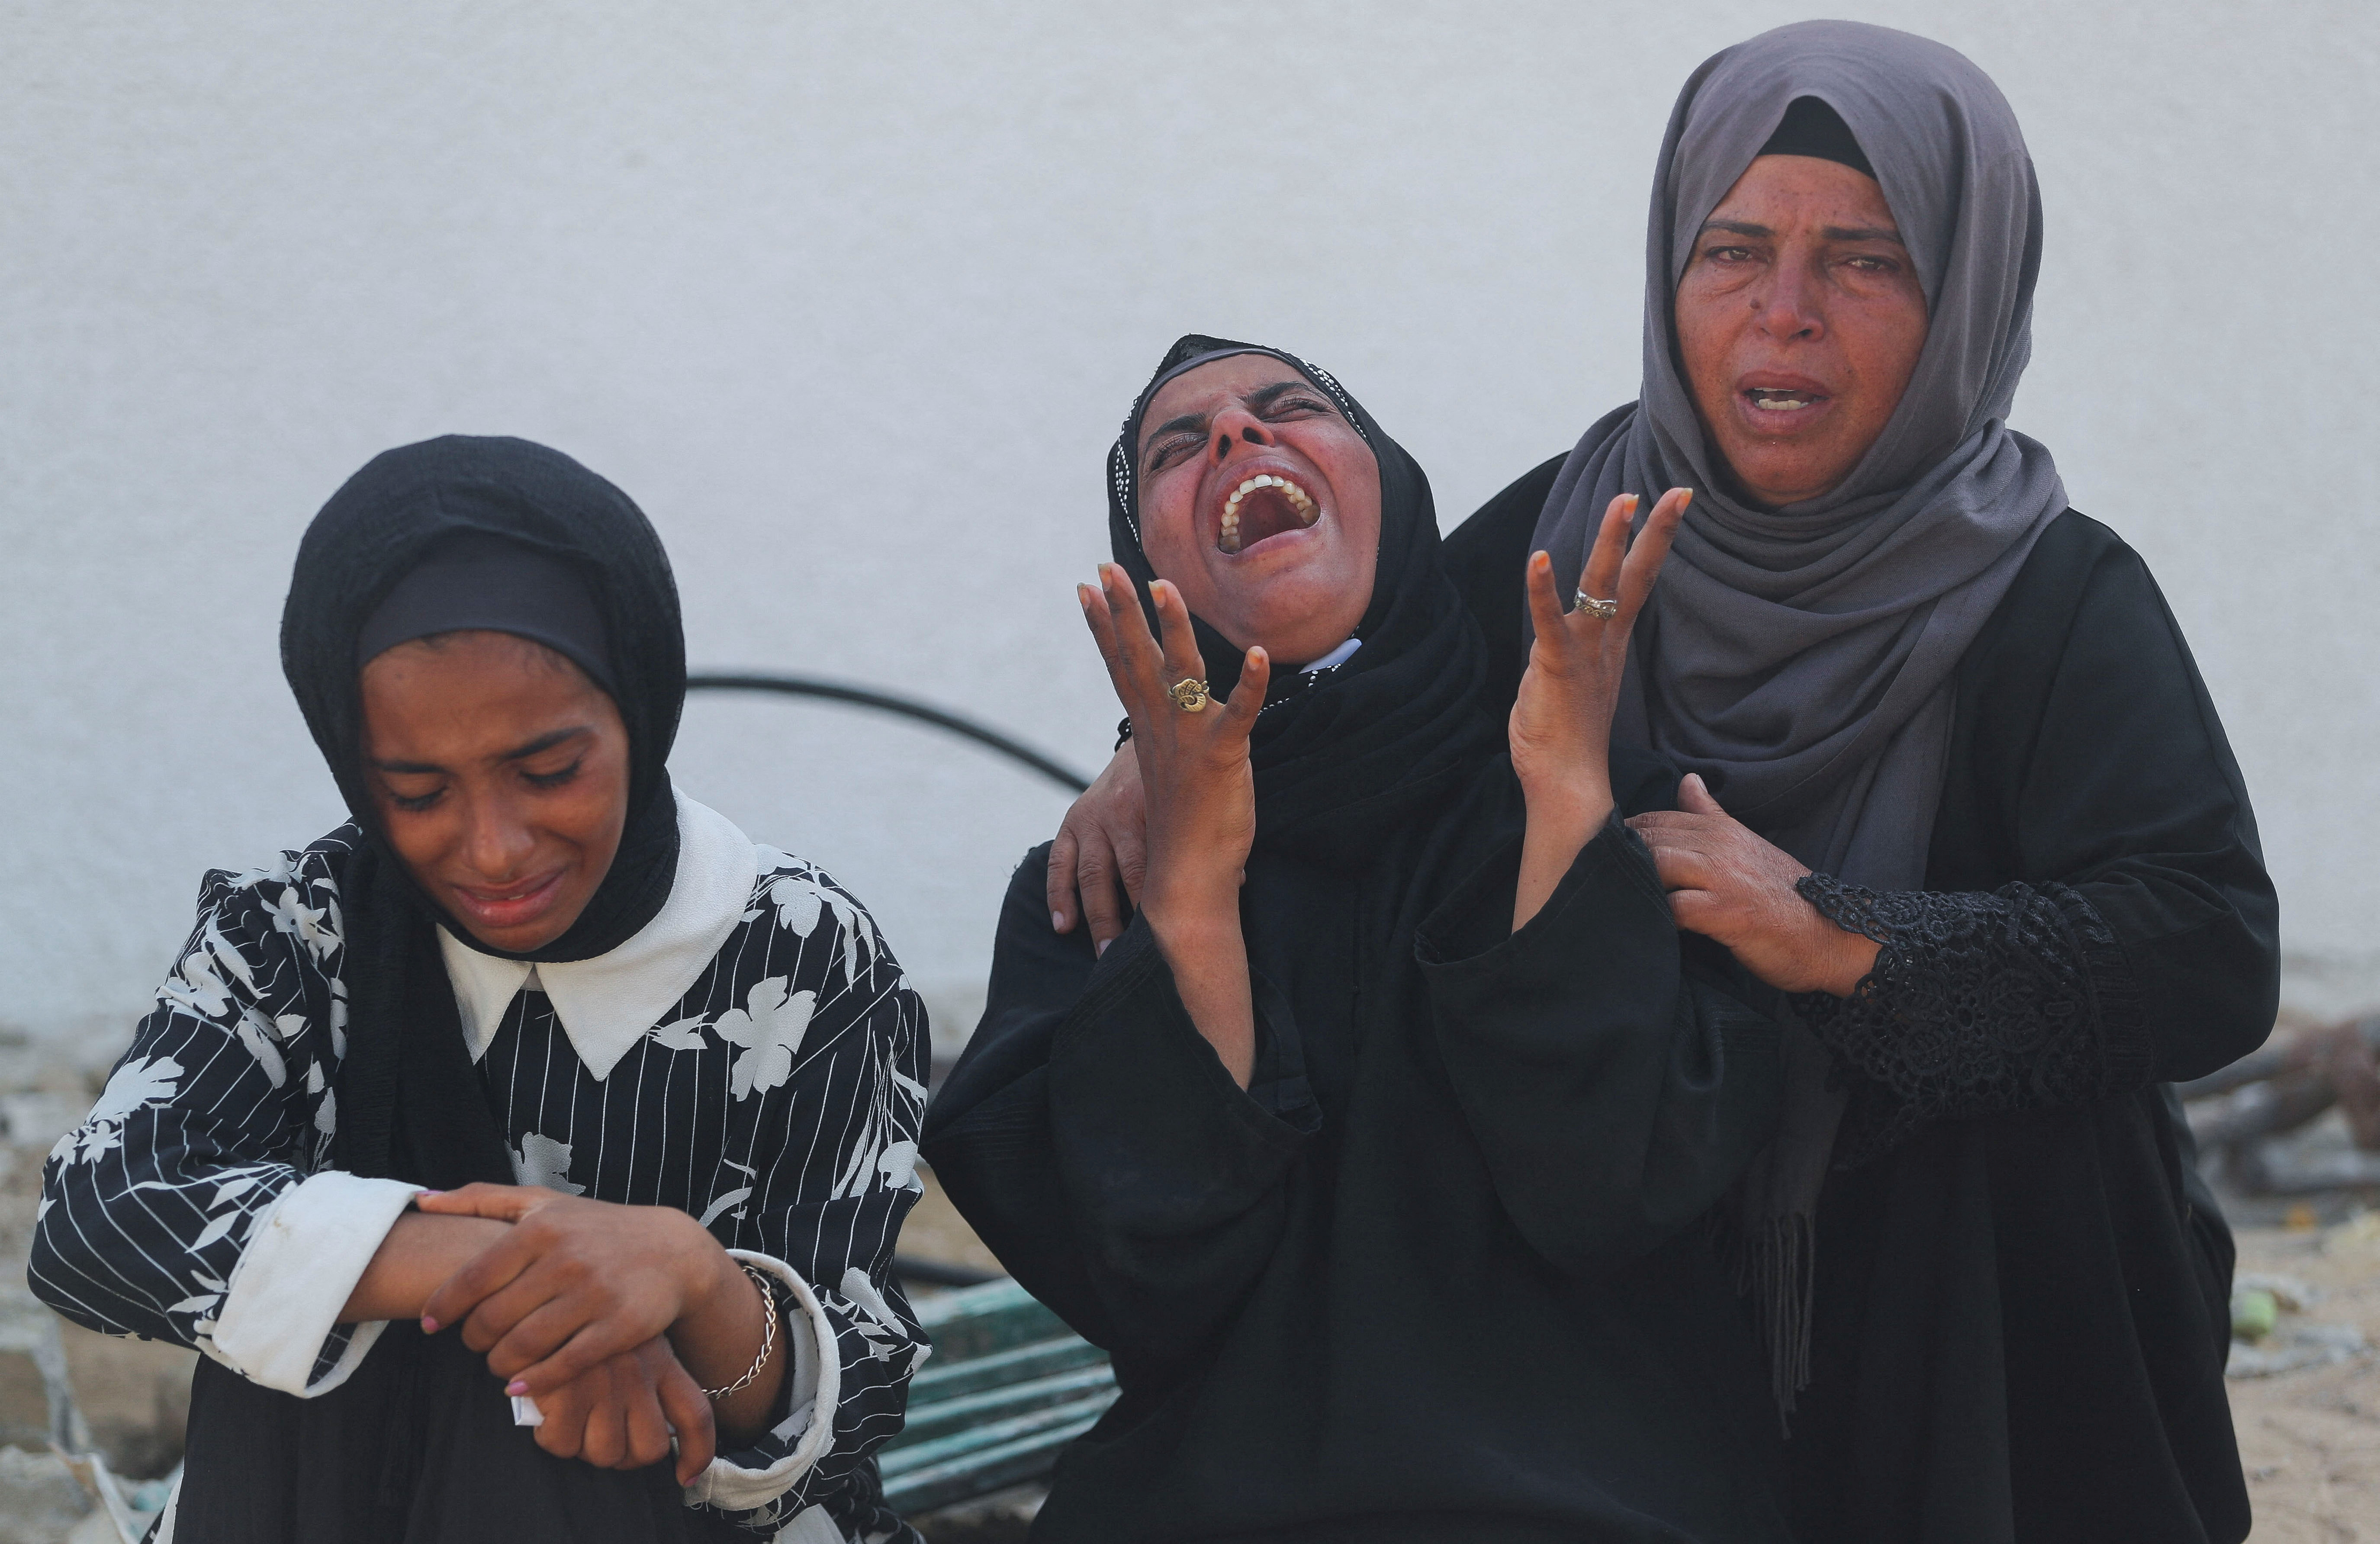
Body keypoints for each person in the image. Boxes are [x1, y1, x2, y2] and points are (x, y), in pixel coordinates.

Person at [1045, 25, 2277, 1544]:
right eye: (1735, 250)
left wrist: (1843, 937)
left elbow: (2205, 948)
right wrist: (1135, 765)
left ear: (1966, 287)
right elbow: (1358, 664)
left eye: (1868, 262)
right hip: (1626, 1306)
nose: (1785, 314)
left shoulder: (2056, 595)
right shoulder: (1582, 528)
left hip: (1969, 1318)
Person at [925, 337, 1791, 1542]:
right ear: (1147, 564)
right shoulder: (1098, 892)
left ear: (1391, 487)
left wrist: (1560, 802)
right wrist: (1193, 890)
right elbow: (1162, 1291)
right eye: (1177, 446)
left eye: (1287, 408)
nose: (1235, 435)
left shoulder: (1609, 801)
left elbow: (1603, 1195)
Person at [31, 436, 930, 1542]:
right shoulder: (300, 932)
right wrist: (531, 1284)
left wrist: (693, 1286)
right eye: (414, 790)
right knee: (301, 1299)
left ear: (640, 712)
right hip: (326, 1503)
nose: (494, 849)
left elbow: (855, 1399)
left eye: (549, 771)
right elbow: (99, 1213)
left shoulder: (804, 959)